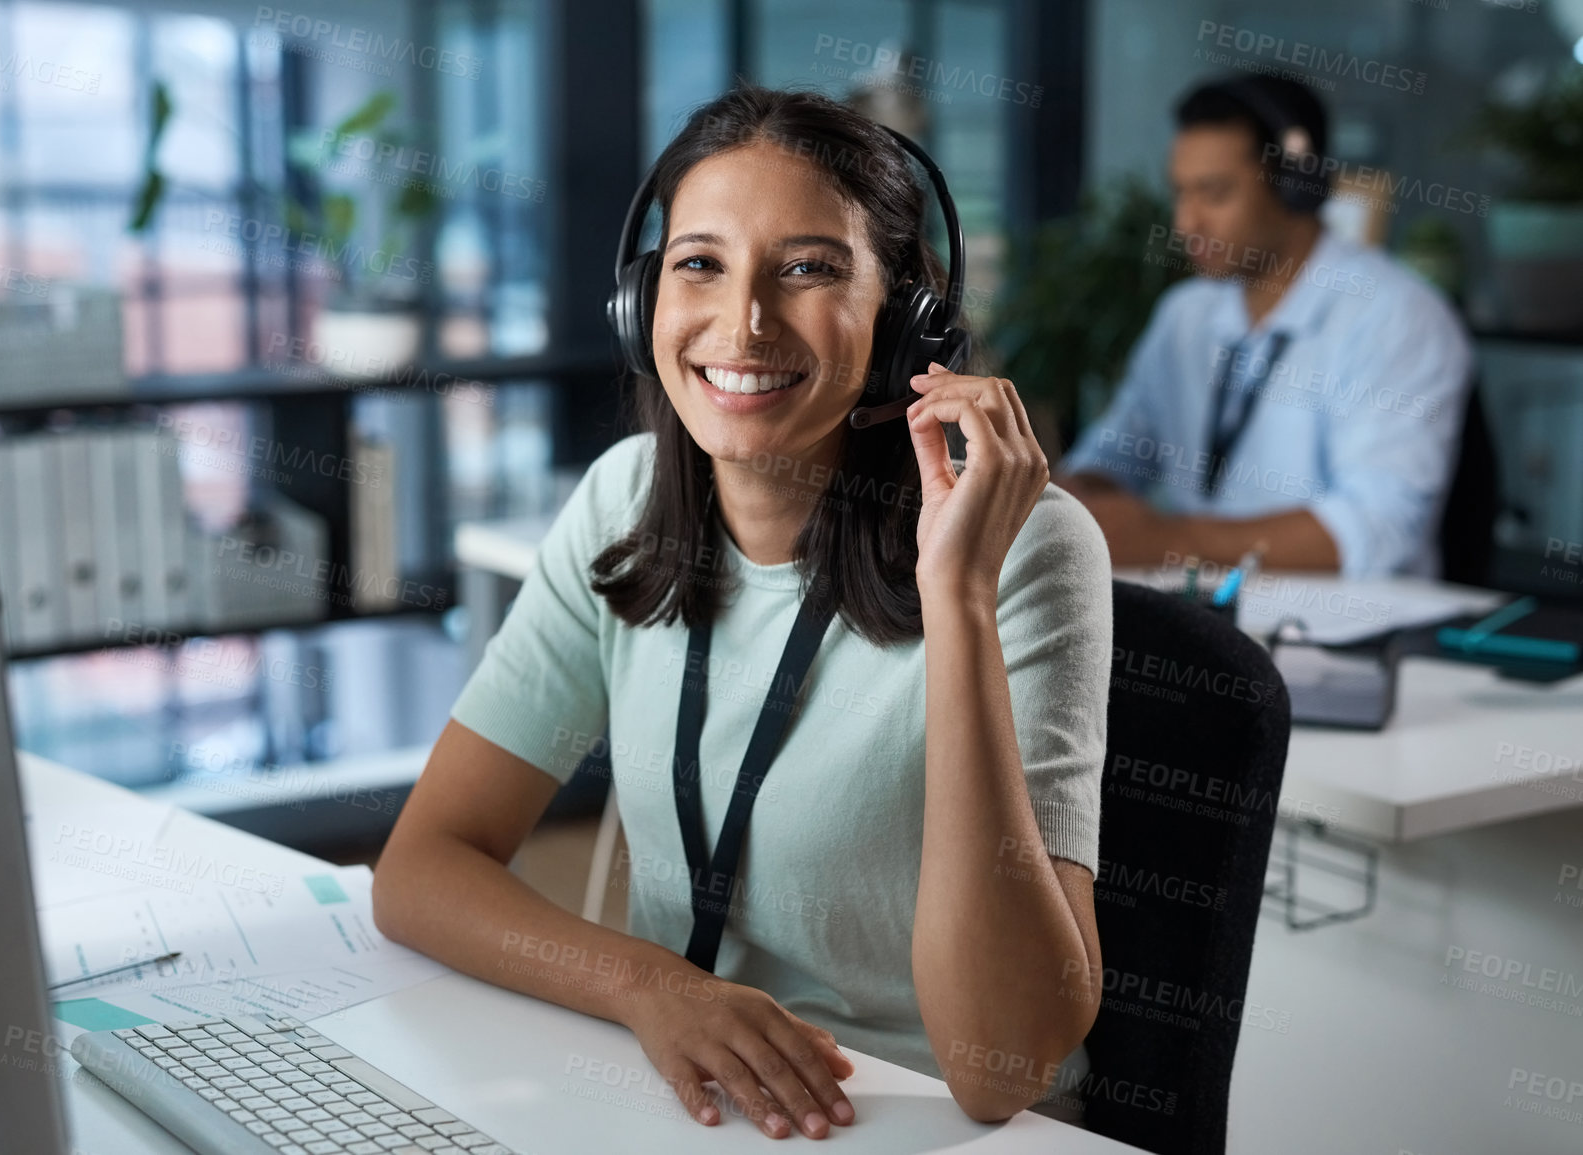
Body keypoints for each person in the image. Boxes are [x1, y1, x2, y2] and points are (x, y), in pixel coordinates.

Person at [372, 86, 1112, 1136]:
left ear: (905, 320)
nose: (745, 322)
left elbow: (1003, 1072)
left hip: (924, 1118)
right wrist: (648, 985)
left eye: (809, 268)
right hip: (700, 1098)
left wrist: (960, 600)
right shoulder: (625, 501)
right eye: (700, 265)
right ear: (644, 304)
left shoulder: (1032, 549)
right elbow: (419, 871)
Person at [1058, 74, 1471, 578]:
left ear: (1295, 187)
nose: (1187, 224)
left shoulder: (1397, 316)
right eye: (1180, 193)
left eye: (1214, 194)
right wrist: (1067, 499)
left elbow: (1375, 530)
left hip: (1344, 640)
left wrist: (1162, 540)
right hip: (1204, 621)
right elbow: (1111, 459)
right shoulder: (1186, 312)